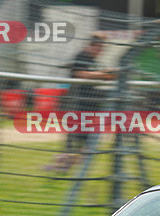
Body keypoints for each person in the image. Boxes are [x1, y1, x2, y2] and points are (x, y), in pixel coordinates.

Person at [47, 33, 116, 173]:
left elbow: (94, 74)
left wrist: (108, 73)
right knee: (81, 143)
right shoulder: (82, 56)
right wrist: (105, 75)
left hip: (86, 106)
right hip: (77, 106)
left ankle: (61, 167)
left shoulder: (91, 60)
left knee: (83, 143)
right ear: (93, 46)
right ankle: (60, 167)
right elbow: (81, 74)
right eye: (100, 47)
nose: (101, 51)